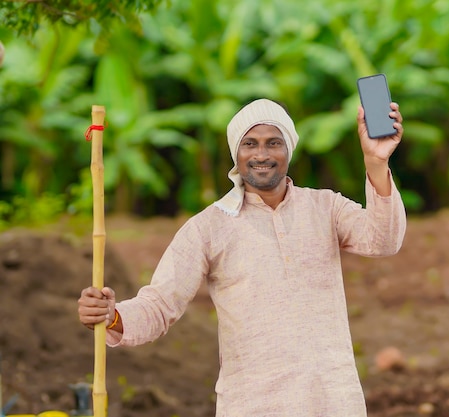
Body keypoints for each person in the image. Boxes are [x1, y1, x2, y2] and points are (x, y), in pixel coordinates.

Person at [78, 98, 407, 416]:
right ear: (236, 153)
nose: (261, 154)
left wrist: (376, 162)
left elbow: (383, 240)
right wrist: (113, 316)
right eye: (250, 143)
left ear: (288, 149)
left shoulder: (325, 207)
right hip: (254, 403)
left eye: (273, 143)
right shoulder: (210, 226)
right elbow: (161, 305)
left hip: (333, 400)